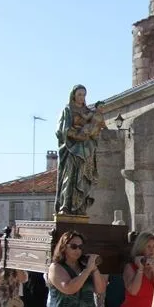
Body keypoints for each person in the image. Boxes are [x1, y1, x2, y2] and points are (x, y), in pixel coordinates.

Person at [54, 84, 102, 216]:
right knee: (70, 177)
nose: (82, 97)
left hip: (86, 150)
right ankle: (65, 206)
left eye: (84, 95)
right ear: (74, 95)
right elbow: (61, 130)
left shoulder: (88, 112)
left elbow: (96, 130)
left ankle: (80, 207)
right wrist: (76, 134)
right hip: (71, 149)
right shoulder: (68, 109)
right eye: (79, 94)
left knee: (83, 178)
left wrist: (92, 131)